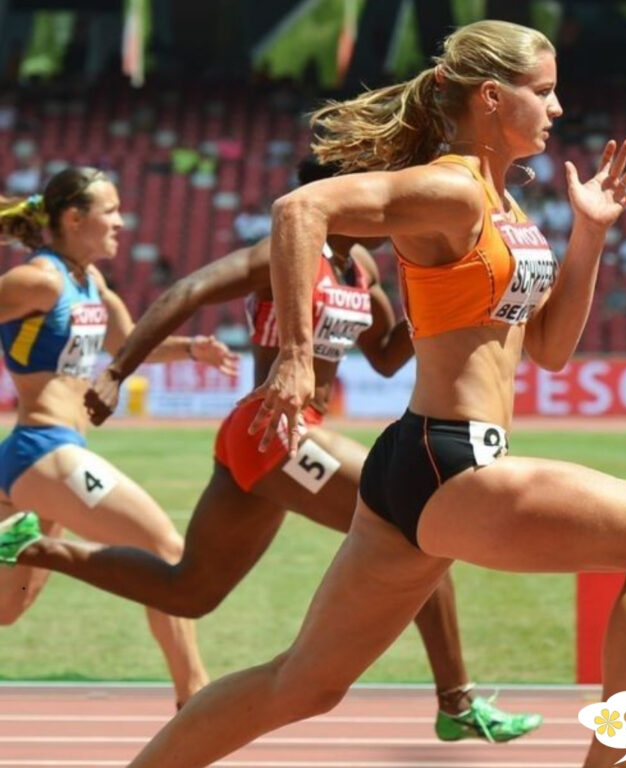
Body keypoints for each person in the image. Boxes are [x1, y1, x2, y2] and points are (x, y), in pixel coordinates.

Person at [17, 21, 626, 768]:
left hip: (416, 465)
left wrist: (590, 234)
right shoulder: (450, 188)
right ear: (491, 96)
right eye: (543, 92)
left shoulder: (506, 208)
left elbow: (548, 351)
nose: (556, 109)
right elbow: (300, 211)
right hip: (453, 461)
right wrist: (292, 356)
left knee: (301, 686)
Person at [0, 157, 541, 743]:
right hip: (275, 428)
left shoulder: (360, 267)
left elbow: (386, 354)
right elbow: (188, 290)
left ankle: (30, 547)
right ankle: (457, 702)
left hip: (274, 441)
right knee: (423, 523)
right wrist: (118, 373)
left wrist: (451, 296)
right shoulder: (285, 251)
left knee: (191, 590)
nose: (390, 202)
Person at [0, 166, 240, 706]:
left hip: (46, 460)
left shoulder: (91, 283)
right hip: (41, 449)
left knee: (6, 612)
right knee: (166, 550)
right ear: (74, 217)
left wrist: (194, 346)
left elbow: (131, 345)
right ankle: (193, 696)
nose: (121, 222)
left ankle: (18, 540)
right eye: (110, 211)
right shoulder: (39, 280)